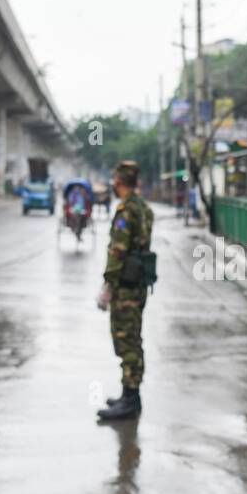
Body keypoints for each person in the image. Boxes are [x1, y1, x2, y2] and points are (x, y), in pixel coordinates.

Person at [96, 161, 154, 421]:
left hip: (126, 287)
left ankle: (130, 400)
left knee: (126, 341)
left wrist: (108, 284)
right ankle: (131, 395)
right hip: (139, 282)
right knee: (134, 338)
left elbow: (118, 251)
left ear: (119, 182)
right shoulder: (144, 208)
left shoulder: (126, 211)